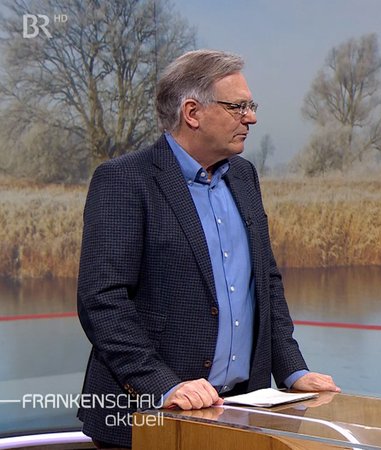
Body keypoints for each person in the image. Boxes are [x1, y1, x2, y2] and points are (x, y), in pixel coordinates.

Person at [76, 49, 340, 449]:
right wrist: (163, 386)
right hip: (149, 419)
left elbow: (265, 283)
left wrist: (291, 370)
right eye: (238, 107)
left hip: (240, 414)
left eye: (251, 106)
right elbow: (103, 302)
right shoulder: (124, 180)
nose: (250, 118)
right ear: (192, 112)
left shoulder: (245, 177)